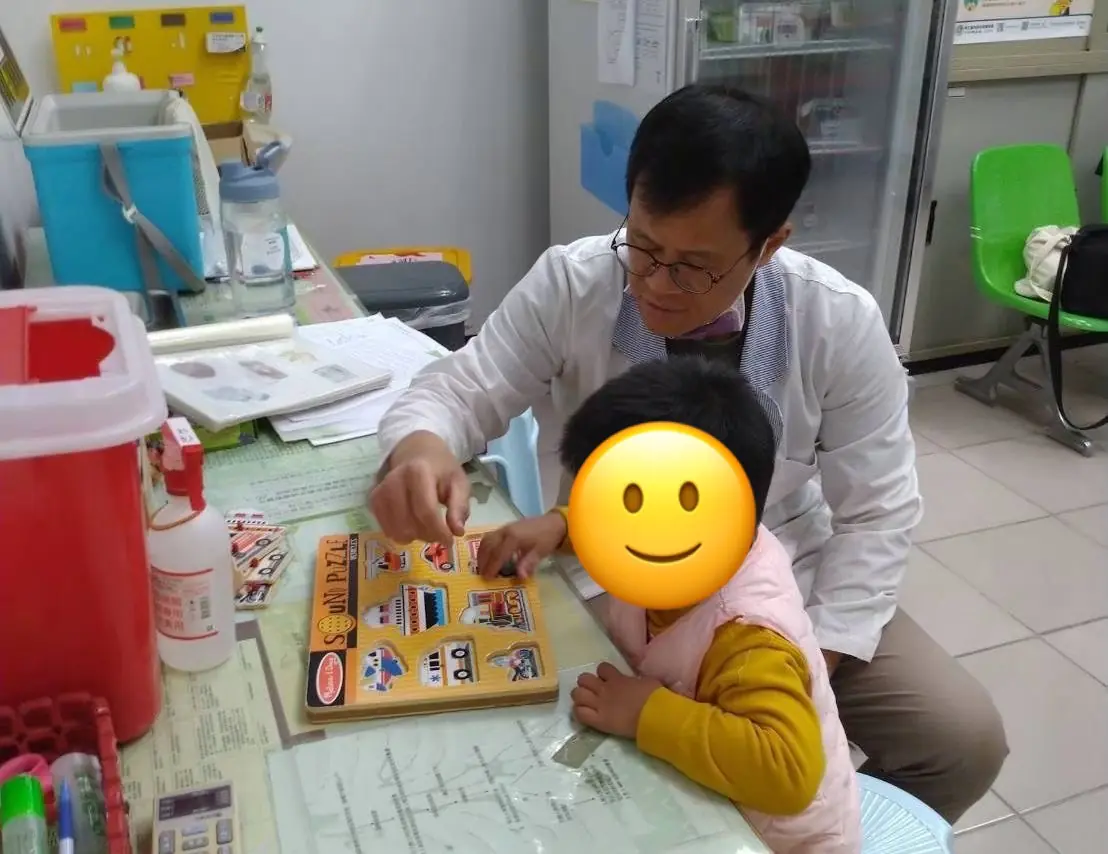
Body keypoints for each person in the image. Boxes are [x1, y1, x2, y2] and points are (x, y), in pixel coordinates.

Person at [370, 84, 1008, 822]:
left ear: (769, 245)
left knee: (962, 742)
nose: (655, 284)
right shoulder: (574, 283)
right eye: (643, 247)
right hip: (614, 576)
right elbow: (459, 390)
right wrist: (422, 451)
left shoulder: (837, 321)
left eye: (693, 266)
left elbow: (878, 514)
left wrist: (808, 660)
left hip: (782, 587)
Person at [481, 357, 861, 851]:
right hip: (701, 796)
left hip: (777, 839)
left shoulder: (747, 639)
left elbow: (787, 772)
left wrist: (647, 714)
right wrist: (560, 525)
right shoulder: (705, 535)